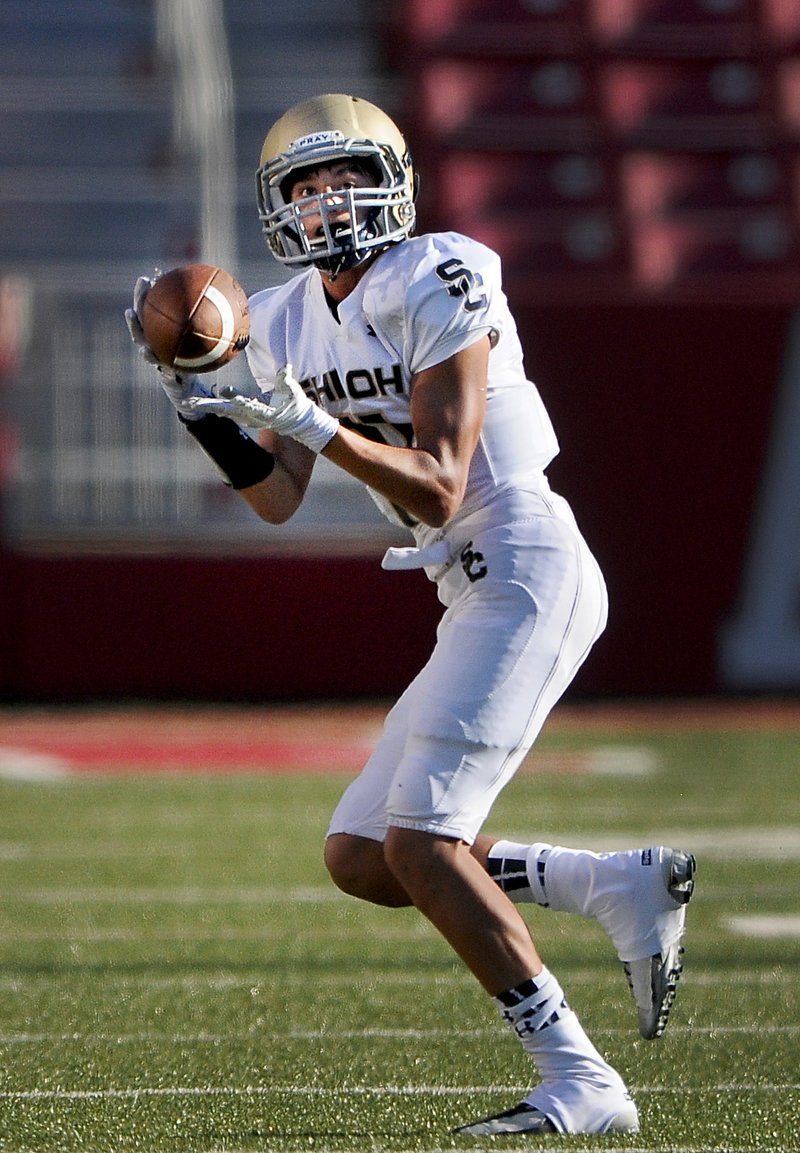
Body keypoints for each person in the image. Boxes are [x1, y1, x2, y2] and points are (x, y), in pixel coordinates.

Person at [126, 93, 695, 1137]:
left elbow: (438, 483)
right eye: (304, 184)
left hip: (524, 556)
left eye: (342, 176)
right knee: (362, 854)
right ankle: (608, 882)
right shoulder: (285, 313)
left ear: (391, 180)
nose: (325, 201)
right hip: (465, 585)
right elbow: (275, 496)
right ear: (276, 205)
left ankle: (582, 1080)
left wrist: (295, 410)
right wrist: (201, 404)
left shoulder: (440, 268)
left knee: (423, 840)